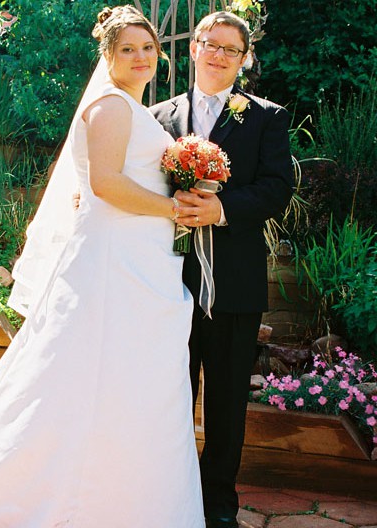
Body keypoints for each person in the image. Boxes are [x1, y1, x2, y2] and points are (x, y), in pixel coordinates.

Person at [0, 6, 205, 527]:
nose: (141, 57)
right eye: (128, 49)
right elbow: (105, 185)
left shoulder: (131, 108)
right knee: (89, 371)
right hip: (112, 264)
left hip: (142, 261)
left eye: (148, 48)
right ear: (108, 56)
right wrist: (176, 209)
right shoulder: (110, 108)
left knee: (132, 380)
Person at [151, 11, 293, 528]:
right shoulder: (158, 117)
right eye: (210, 44)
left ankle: (218, 506)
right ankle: (169, 497)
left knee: (228, 402)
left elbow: (279, 188)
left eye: (230, 49)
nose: (218, 55)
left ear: (244, 59)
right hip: (166, 284)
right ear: (193, 48)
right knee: (170, 394)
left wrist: (222, 208)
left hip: (234, 285)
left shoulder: (266, 116)